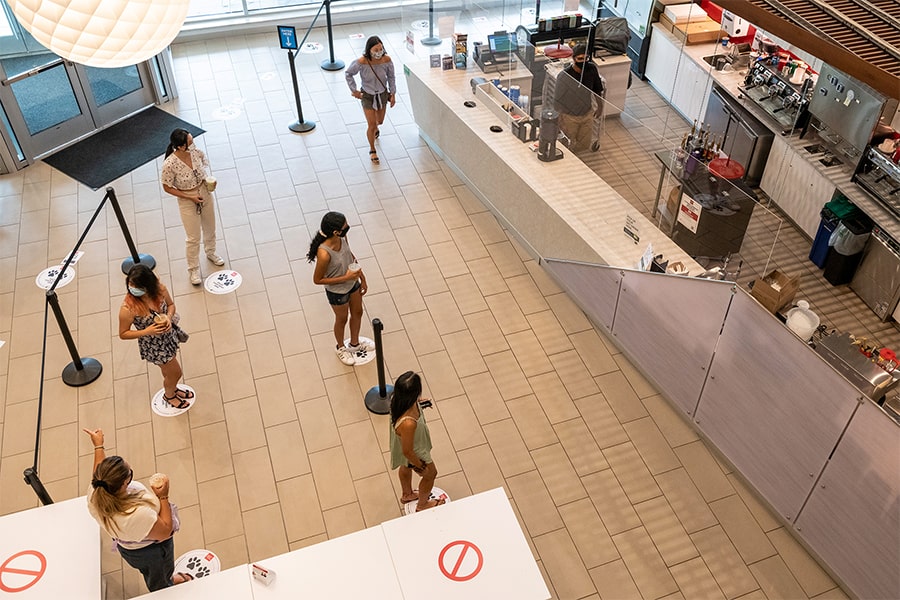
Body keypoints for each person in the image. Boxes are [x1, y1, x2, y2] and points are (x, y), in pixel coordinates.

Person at [82, 427, 191, 592]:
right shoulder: (135, 515)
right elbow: (165, 532)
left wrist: (98, 446)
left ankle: (165, 580)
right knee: (159, 577)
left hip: (129, 549)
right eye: (129, 474)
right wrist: (163, 496)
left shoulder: (96, 492)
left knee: (150, 572)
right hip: (152, 551)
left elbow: (100, 472)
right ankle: (167, 587)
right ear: (124, 483)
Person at [119, 264, 193, 409]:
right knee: (175, 373)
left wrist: (168, 317)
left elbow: (171, 305)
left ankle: (173, 388)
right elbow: (123, 333)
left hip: (168, 336)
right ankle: (170, 394)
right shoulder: (128, 309)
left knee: (168, 371)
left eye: (137, 286)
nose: (133, 289)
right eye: (131, 285)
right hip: (154, 346)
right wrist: (148, 331)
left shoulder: (160, 290)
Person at [306, 211, 373, 365]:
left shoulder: (342, 237)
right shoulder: (324, 253)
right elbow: (317, 279)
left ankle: (355, 343)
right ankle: (341, 347)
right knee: (341, 319)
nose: (347, 228)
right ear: (335, 231)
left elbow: (349, 255)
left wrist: (361, 276)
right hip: (337, 292)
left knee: (357, 312)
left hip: (353, 284)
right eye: (345, 227)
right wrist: (346, 278)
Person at [161, 128, 224, 286]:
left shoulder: (196, 153)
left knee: (210, 227)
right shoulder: (170, 164)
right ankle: (193, 269)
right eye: (189, 142)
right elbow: (167, 187)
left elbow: (203, 170)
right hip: (187, 199)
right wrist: (190, 197)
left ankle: (211, 252)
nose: (193, 144)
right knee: (193, 237)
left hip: (204, 193)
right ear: (180, 146)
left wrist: (209, 184)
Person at [389, 371, 443, 512]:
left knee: (405, 466)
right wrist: (421, 466)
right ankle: (422, 505)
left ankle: (407, 494)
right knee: (431, 474)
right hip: (415, 450)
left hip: (404, 443)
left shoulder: (397, 400)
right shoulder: (408, 423)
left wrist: (419, 402)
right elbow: (408, 451)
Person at [345, 35, 396, 164]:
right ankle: (372, 150)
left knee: (380, 121)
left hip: (382, 94)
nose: (378, 52)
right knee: (371, 125)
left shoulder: (387, 60)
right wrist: (354, 90)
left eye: (380, 49)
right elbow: (348, 73)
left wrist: (393, 93)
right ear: (369, 50)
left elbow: (391, 76)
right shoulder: (362, 62)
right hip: (368, 95)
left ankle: (376, 129)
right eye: (375, 50)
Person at [554, 44, 605, 153]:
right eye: (580, 59)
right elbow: (557, 100)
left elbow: (597, 89)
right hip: (569, 117)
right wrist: (558, 121)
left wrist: (600, 106)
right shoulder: (564, 76)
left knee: (584, 144)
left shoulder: (591, 69)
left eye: (586, 58)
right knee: (569, 143)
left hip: (587, 113)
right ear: (573, 58)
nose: (584, 61)